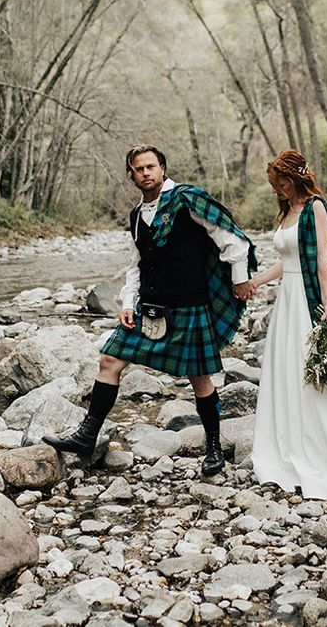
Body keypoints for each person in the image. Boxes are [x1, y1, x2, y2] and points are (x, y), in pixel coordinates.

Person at [43, 144, 257, 476]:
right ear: (132, 175)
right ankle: (86, 436)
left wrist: (240, 281)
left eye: (151, 167)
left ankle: (213, 447)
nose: (146, 173)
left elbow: (233, 240)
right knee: (109, 360)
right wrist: (128, 304)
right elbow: (136, 264)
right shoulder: (135, 216)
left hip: (189, 305)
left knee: (199, 378)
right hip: (150, 308)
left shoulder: (188, 199)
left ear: (162, 168)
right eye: (139, 169)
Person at [251, 150, 327, 499]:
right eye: (275, 184)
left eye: (283, 182)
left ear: (296, 177)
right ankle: (287, 448)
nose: (278, 189)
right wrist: (255, 282)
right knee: (287, 374)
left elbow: (323, 259)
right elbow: (286, 261)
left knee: (316, 379)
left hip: (309, 301)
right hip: (286, 302)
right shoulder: (287, 211)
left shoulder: (315, 207)